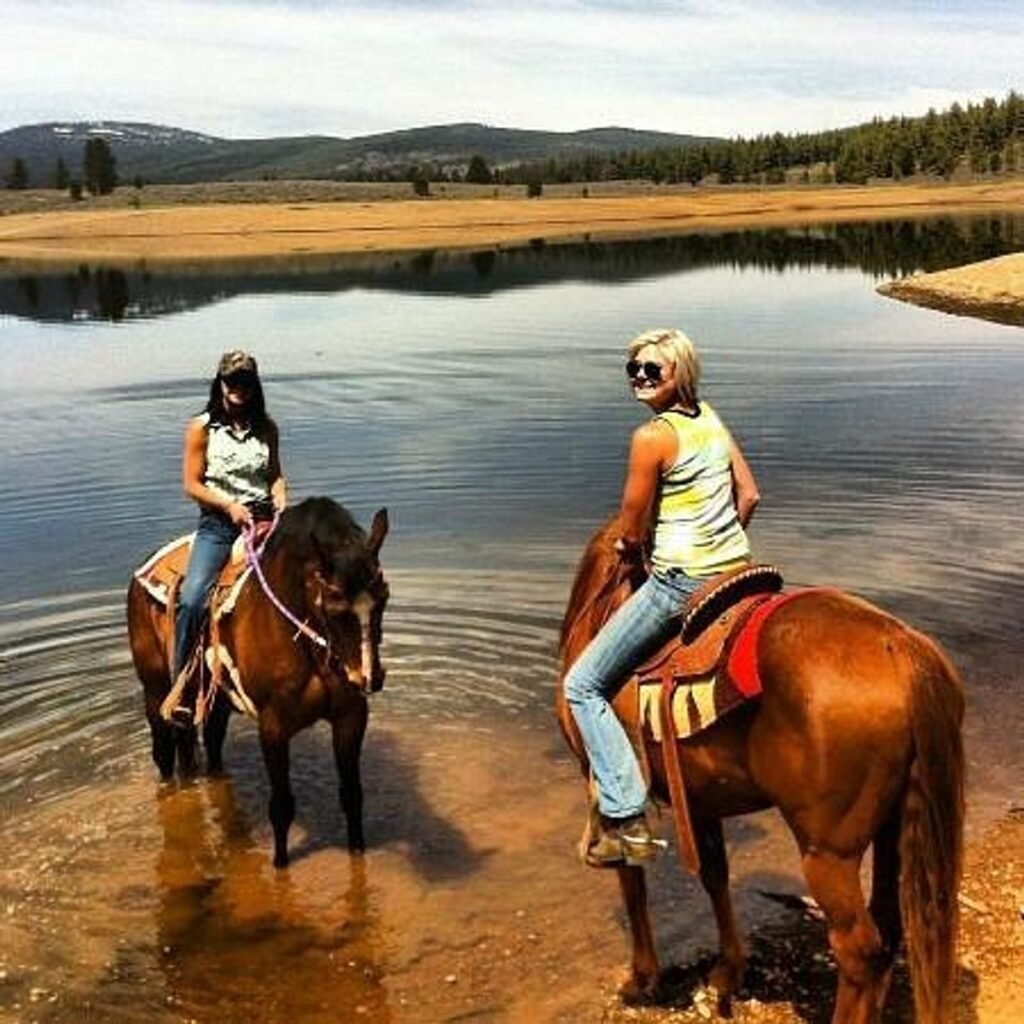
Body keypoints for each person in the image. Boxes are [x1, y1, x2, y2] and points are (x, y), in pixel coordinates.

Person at [563, 328, 760, 867]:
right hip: (737, 571)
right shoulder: (712, 419)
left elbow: (630, 527)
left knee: (582, 684)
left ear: (681, 372)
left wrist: (636, 549)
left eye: (655, 370)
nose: (642, 379)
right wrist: (722, 540)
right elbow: (750, 494)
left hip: (682, 582)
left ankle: (626, 813)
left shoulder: (652, 436)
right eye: (635, 370)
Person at [164, 350, 287, 724]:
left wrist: (281, 500)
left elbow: (276, 476)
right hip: (219, 525)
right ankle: (182, 685)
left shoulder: (267, 428)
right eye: (231, 380)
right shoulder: (201, 428)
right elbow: (191, 484)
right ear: (219, 382)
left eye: (245, 381)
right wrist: (230, 506)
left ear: (255, 384)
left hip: (265, 521)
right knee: (194, 597)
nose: (238, 388)